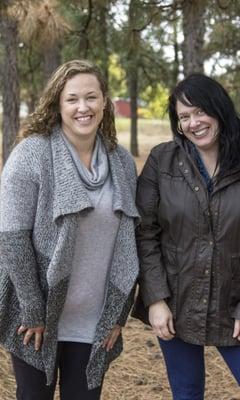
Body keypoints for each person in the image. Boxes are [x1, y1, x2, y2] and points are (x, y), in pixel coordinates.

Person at [0, 59, 139, 400]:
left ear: (104, 101)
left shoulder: (121, 162)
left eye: (91, 97)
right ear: (57, 104)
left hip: (93, 322)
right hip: (35, 316)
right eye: (72, 99)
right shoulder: (31, 153)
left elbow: (129, 243)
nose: (83, 107)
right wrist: (33, 309)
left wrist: (118, 311)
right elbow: (12, 237)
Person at [132, 73, 240, 400]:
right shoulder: (162, 161)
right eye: (184, 117)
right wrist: (156, 299)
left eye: (200, 111)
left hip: (236, 304)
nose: (193, 123)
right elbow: (145, 233)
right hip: (177, 302)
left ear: (219, 110)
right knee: (187, 393)